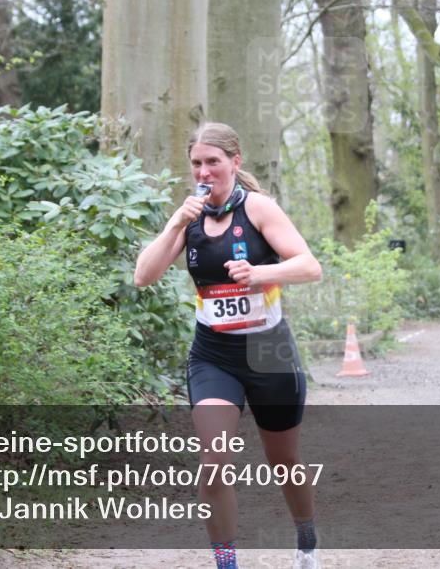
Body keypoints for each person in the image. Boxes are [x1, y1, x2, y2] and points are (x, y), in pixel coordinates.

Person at [134, 122, 322, 569]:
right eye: (196, 163)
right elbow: (143, 276)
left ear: (235, 163)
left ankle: (307, 540)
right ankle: (226, 562)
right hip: (214, 355)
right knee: (214, 460)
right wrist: (175, 223)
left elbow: (309, 266)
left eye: (213, 162)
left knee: (285, 461)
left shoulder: (258, 208)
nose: (204, 171)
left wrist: (260, 274)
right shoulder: (190, 214)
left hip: (268, 351)